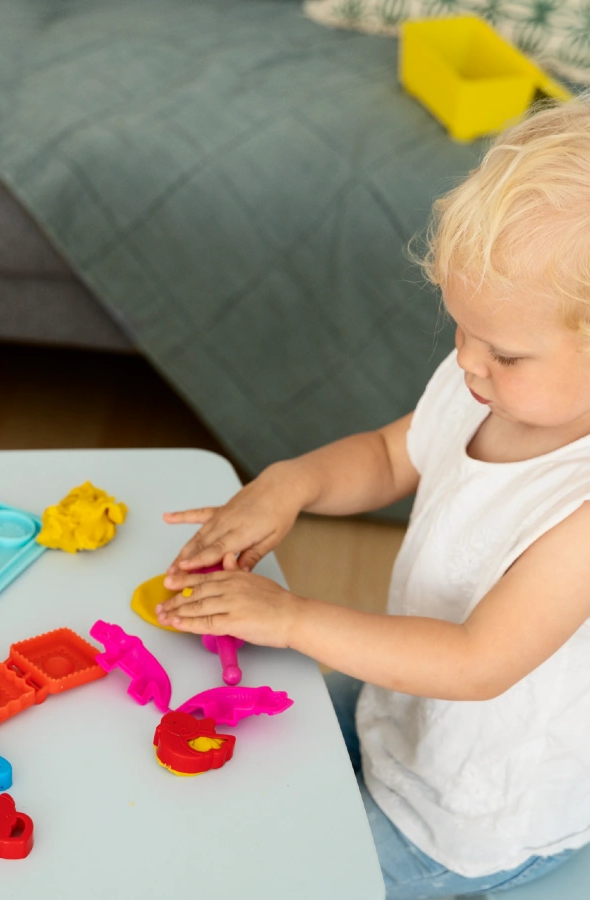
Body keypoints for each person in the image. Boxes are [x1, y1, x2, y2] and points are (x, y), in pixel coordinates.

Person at [156, 98, 590, 899]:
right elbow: (394, 454)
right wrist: (292, 484)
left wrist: (290, 619)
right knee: (235, 783)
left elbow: (477, 663)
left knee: (275, 879)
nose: (466, 362)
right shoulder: (487, 389)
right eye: (459, 326)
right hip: (402, 709)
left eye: (502, 350)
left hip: (471, 810)